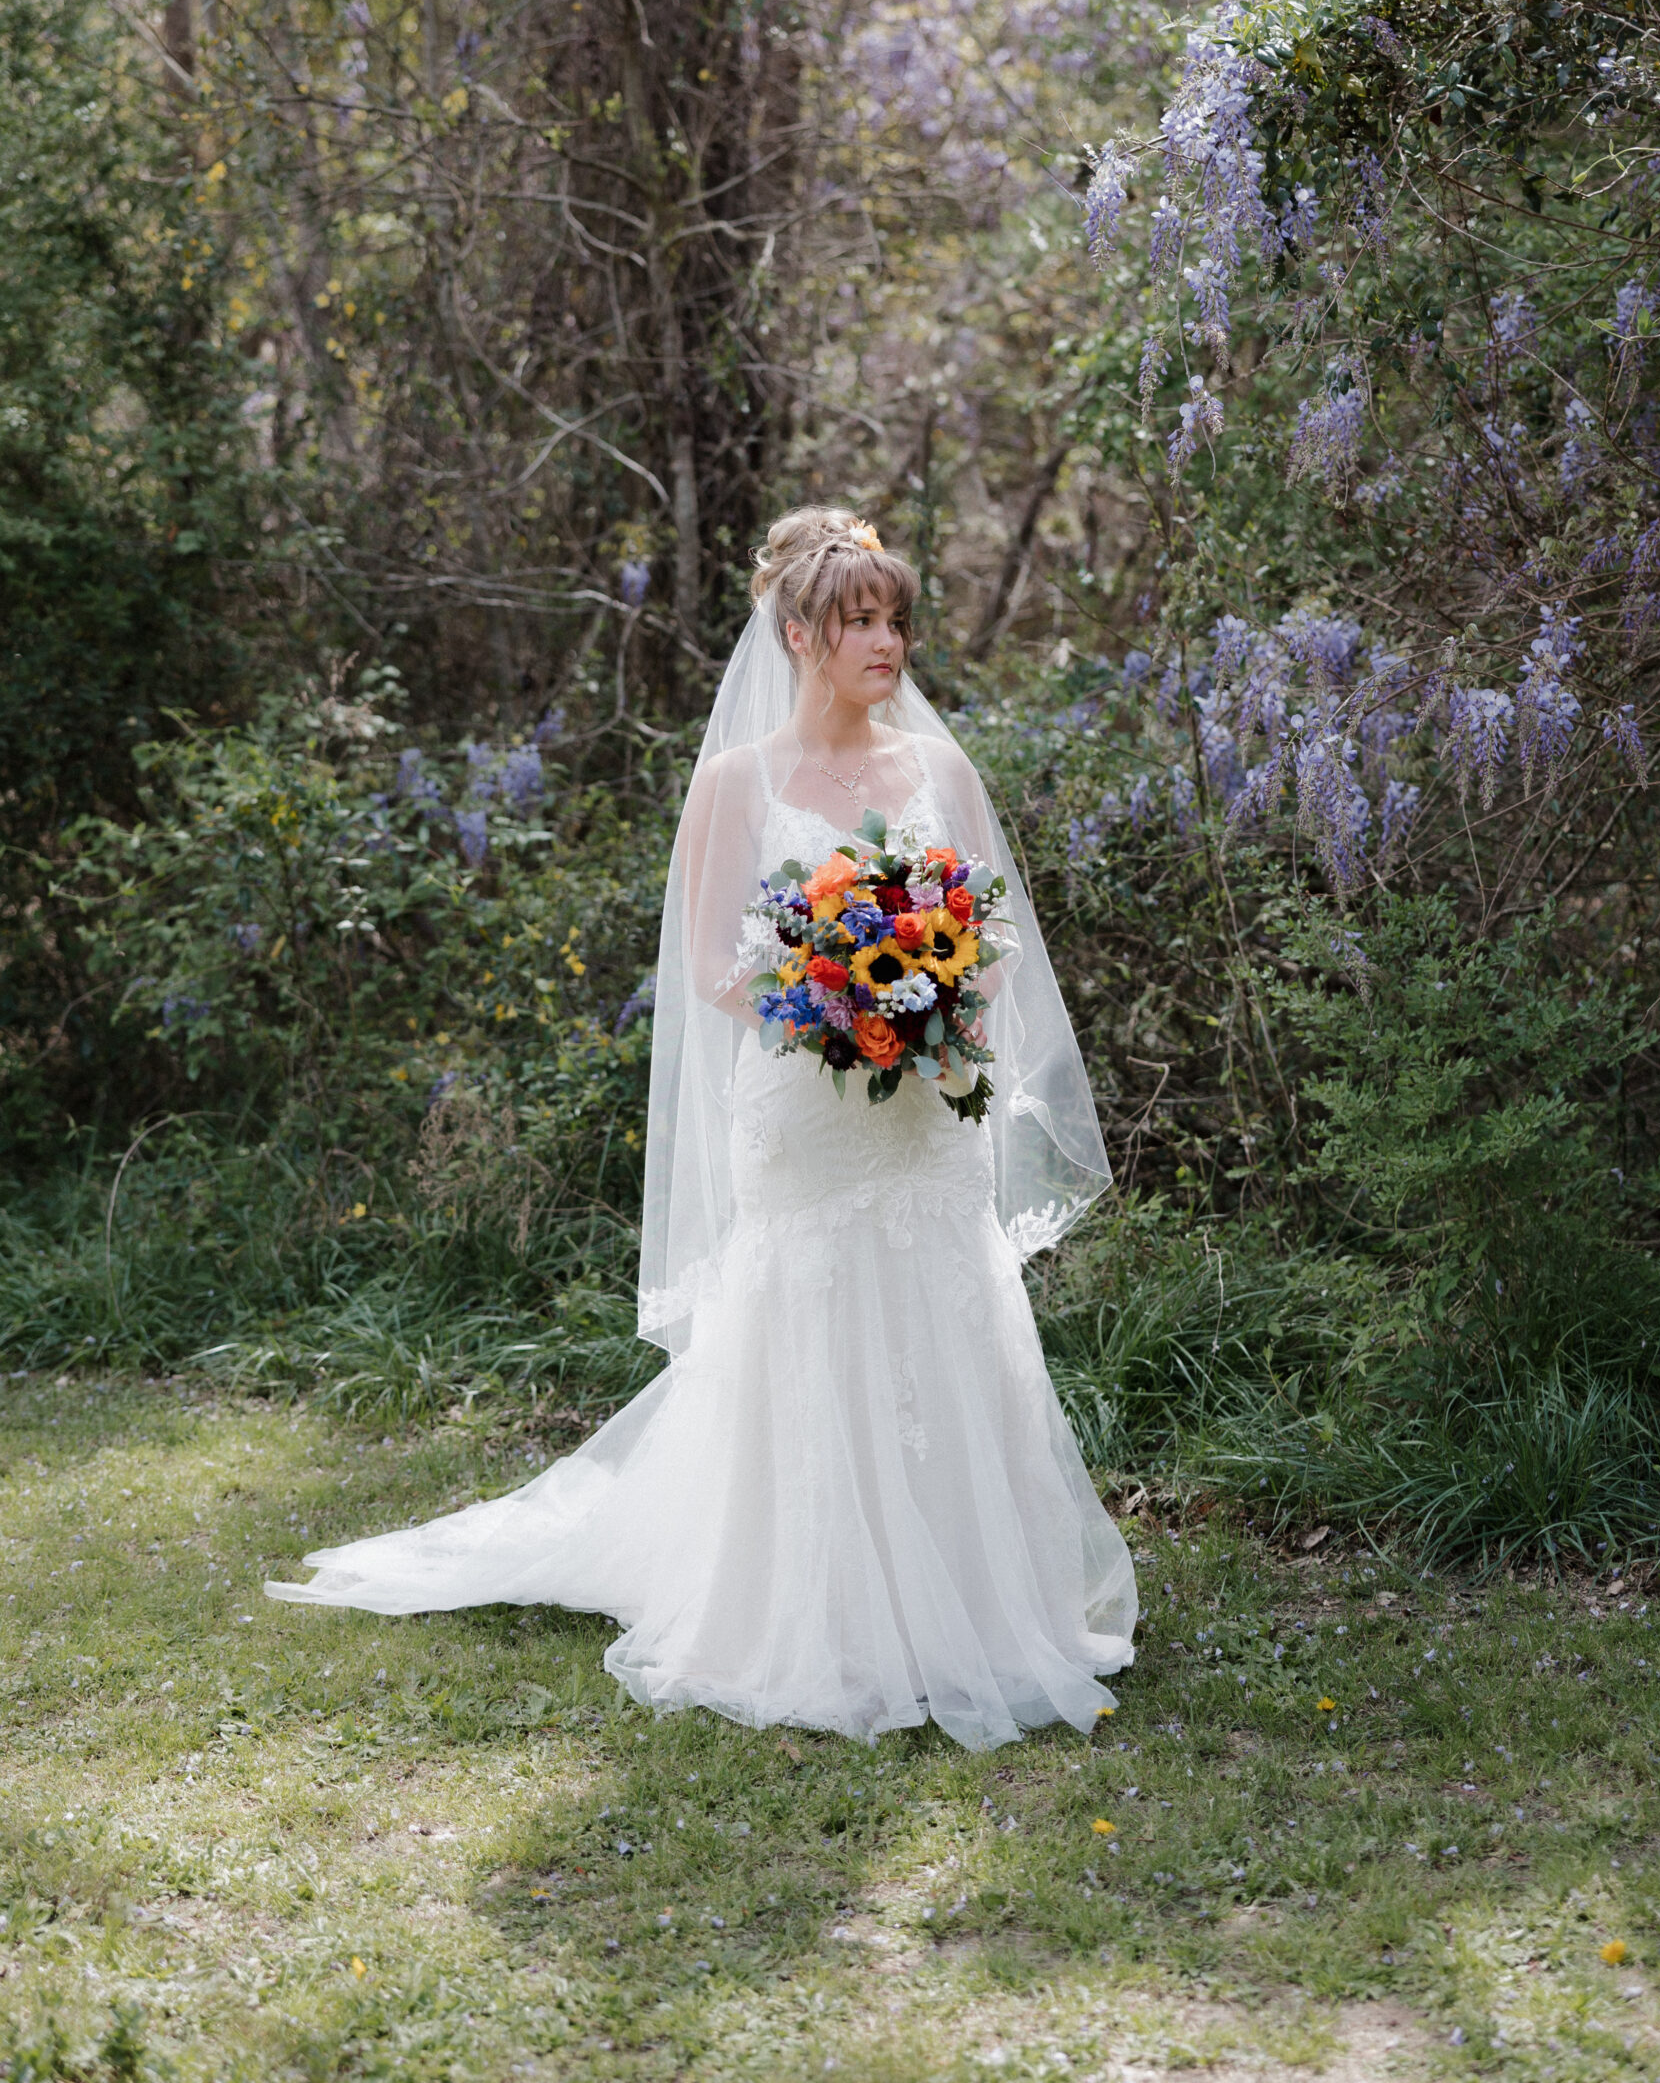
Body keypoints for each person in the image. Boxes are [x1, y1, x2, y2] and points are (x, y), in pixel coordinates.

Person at [267, 507, 1136, 1750]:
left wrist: (935, 997)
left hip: (923, 1111)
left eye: (895, 617)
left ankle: (977, 1605)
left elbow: (992, 931)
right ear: (798, 635)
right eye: (859, 620)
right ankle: (815, 1610)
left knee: (941, 1303)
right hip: (804, 1106)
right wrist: (838, 1004)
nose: (886, 640)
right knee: (814, 1308)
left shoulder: (940, 774)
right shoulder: (738, 783)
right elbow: (714, 962)